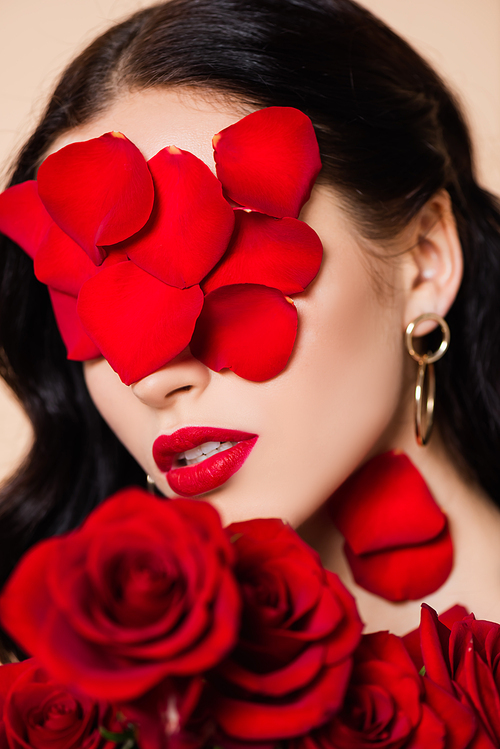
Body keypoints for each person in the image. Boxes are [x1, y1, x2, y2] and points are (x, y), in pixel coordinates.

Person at [1, 0, 500, 655]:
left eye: (221, 259)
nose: (150, 376)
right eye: (89, 300)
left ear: (427, 259)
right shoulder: (51, 686)